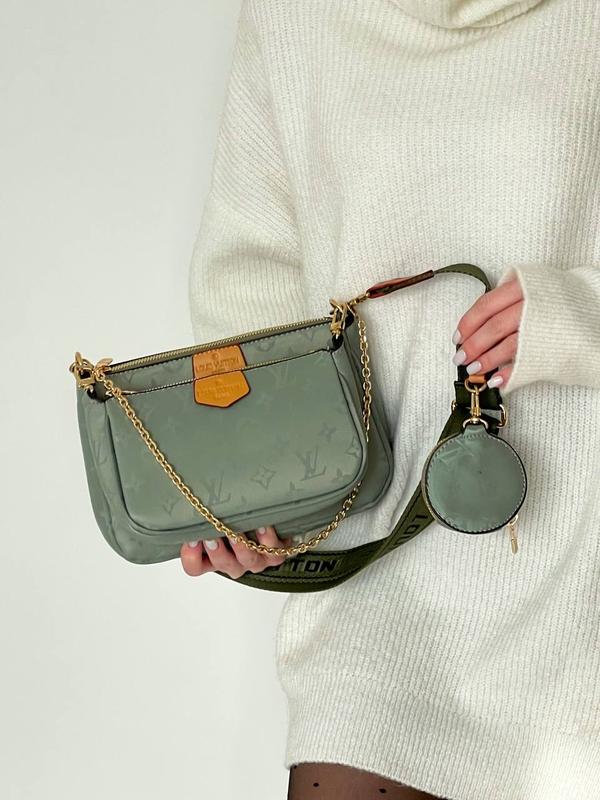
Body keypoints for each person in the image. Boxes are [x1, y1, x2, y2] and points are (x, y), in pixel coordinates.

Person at [181, 0, 600, 797]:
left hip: (583, 598)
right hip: (374, 590)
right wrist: (258, 496)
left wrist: (581, 316)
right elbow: (254, 278)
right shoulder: (292, 16)